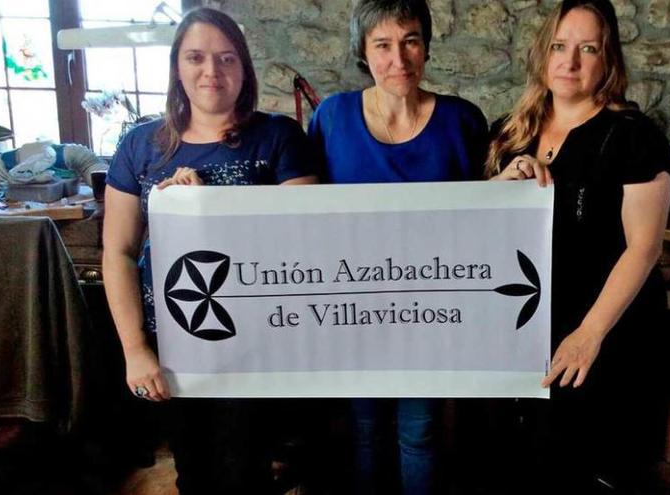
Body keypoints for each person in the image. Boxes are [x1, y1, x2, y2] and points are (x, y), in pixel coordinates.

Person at [102, 7, 317, 494]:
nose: (211, 71)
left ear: (244, 68)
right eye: (196, 57)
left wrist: (207, 208)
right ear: (177, 66)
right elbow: (117, 251)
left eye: (226, 59)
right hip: (174, 340)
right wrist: (135, 350)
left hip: (259, 339)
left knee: (247, 468)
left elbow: (303, 241)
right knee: (193, 470)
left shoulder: (279, 136)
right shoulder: (141, 147)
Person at [485, 0, 670, 492]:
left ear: (608, 58)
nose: (570, 62)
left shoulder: (635, 136)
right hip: (524, 328)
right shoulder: (507, 132)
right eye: (559, 47)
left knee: (586, 468)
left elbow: (644, 247)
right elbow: (482, 234)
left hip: (603, 334)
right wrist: (502, 185)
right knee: (518, 464)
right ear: (543, 55)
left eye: (587, 48)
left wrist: (589, 334)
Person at [307, 0, 488, 493]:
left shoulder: (463, 120)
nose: (399, 59)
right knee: (364, 432)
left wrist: (517, 180)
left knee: (420, 432)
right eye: (383, 45)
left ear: (426, 45)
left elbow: (488, 214)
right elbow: (303, 214)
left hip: (430, 310)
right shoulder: (332, 117)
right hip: (355, 307)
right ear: (363, 52)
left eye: (410, 40)